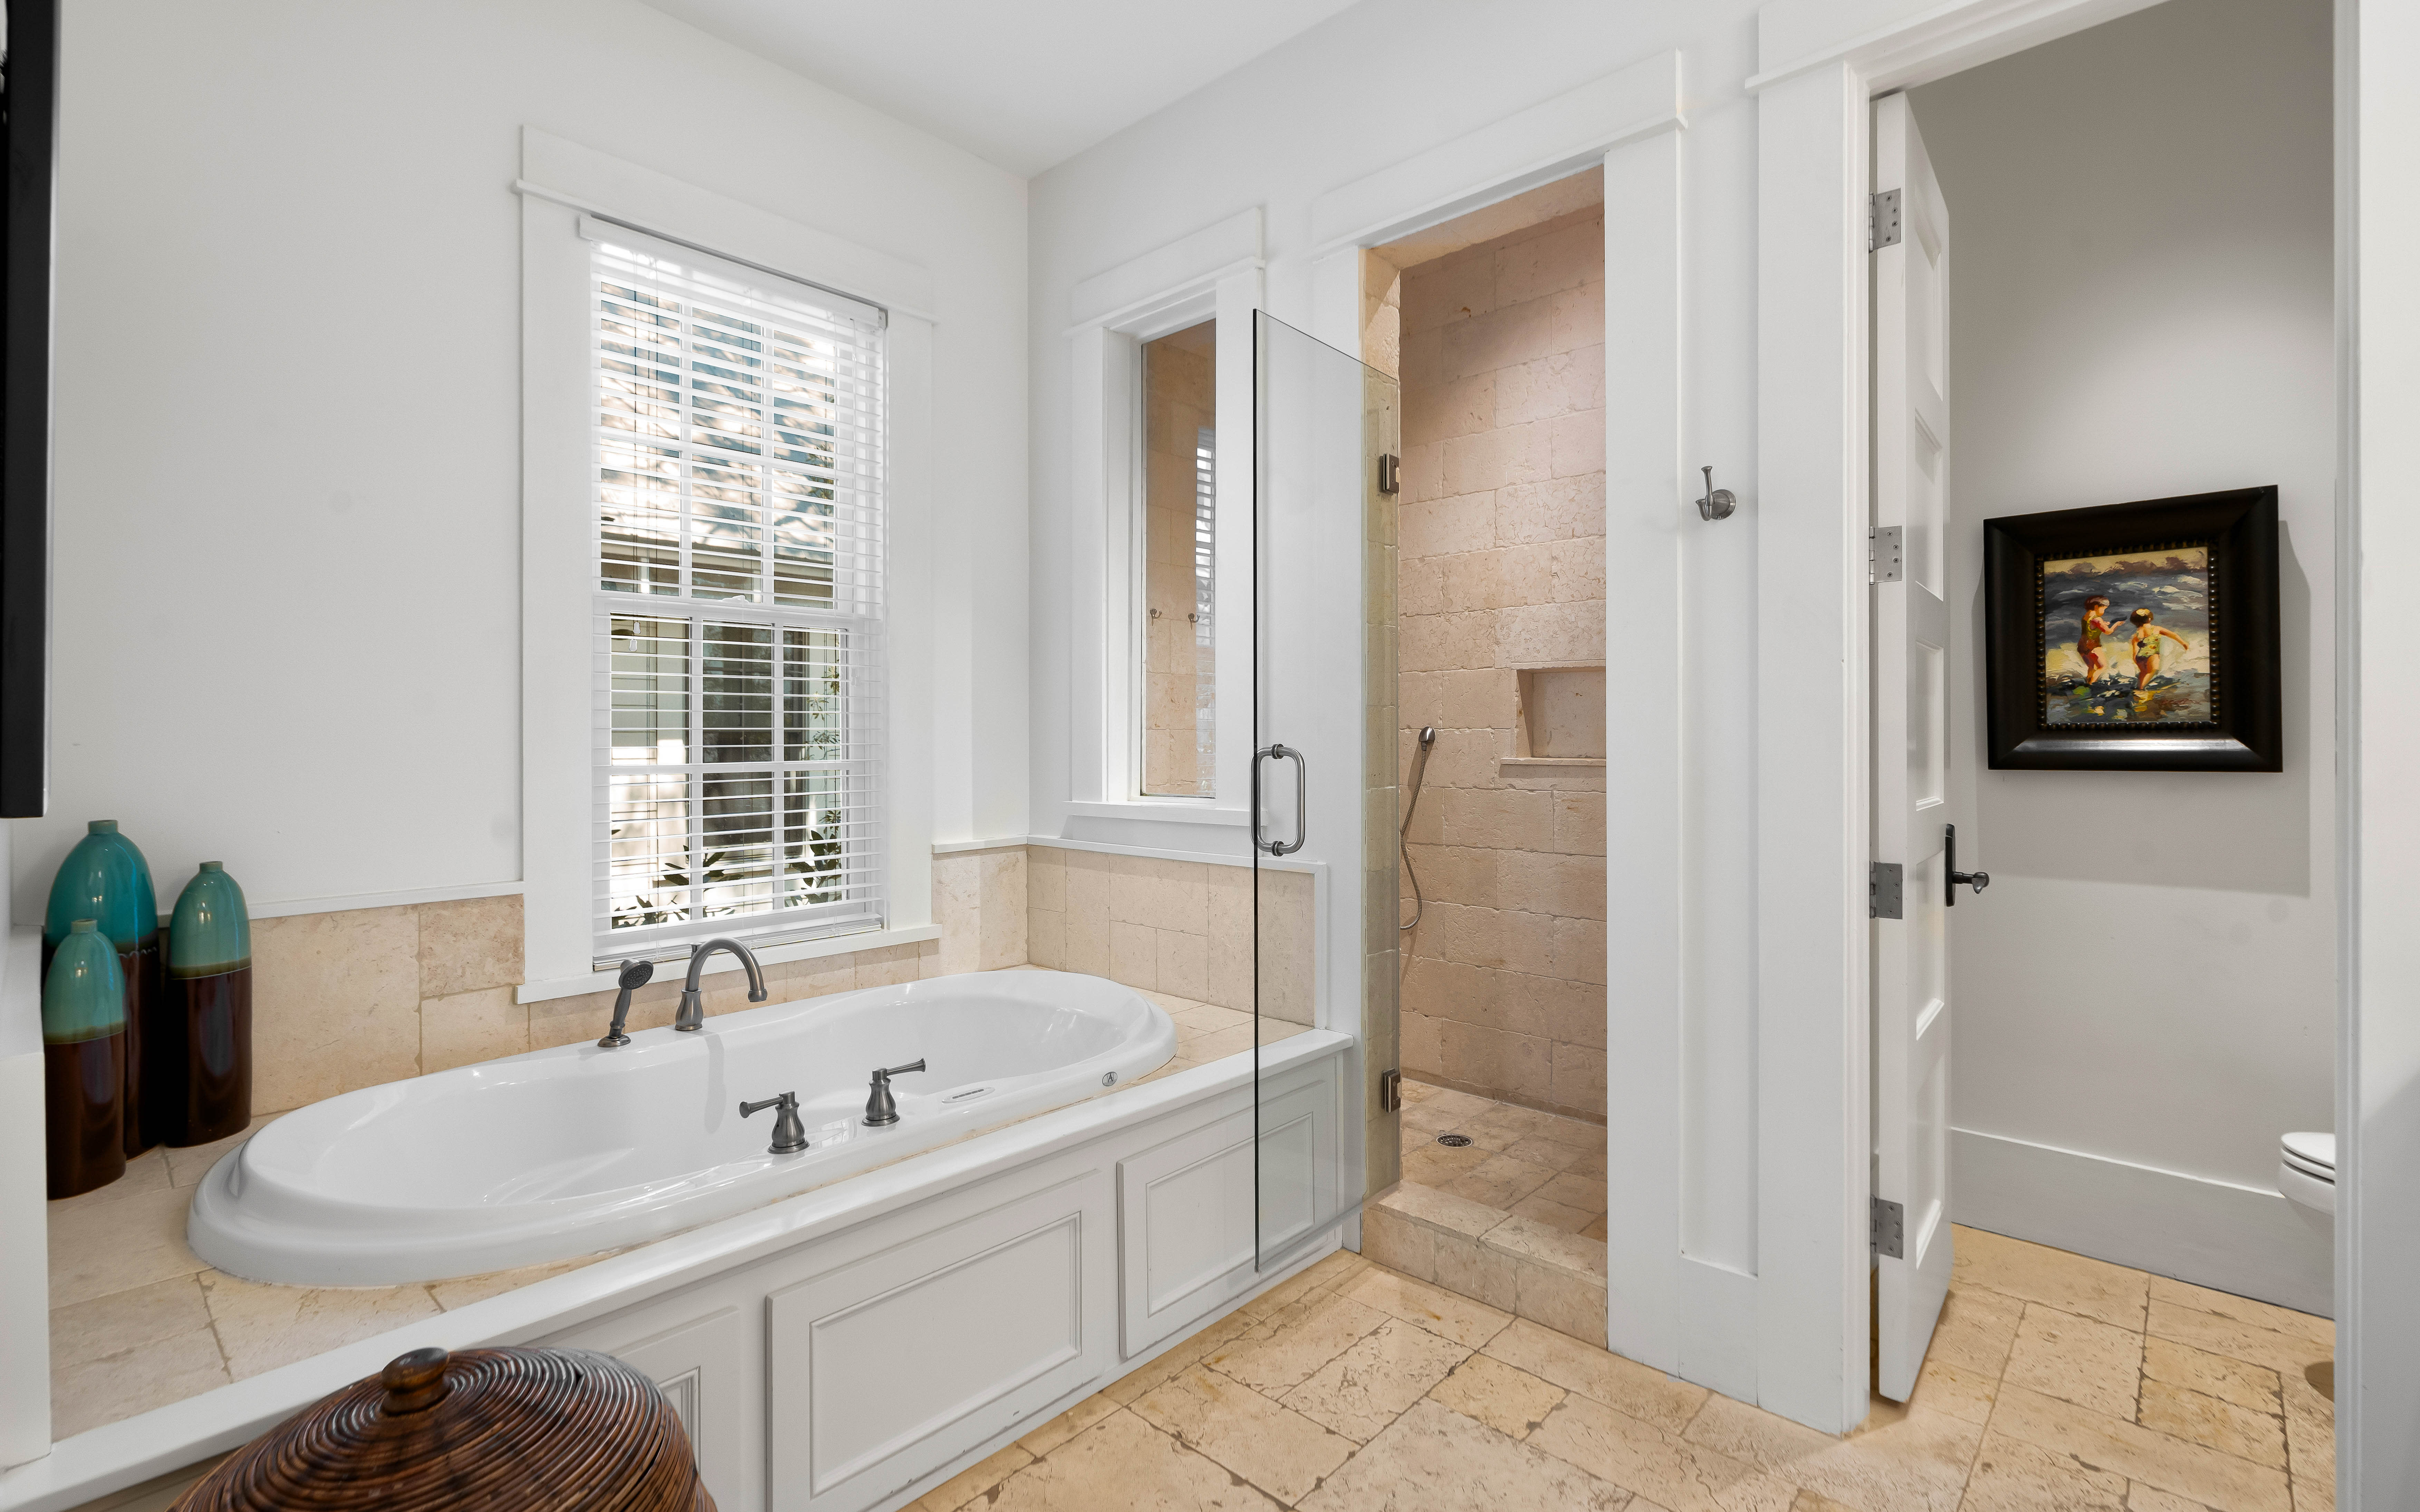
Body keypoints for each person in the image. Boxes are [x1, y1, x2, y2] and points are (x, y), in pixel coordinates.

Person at [2128, 607, 2190, 689]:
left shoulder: (2137, 635)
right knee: (2153, 670)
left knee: (2143, 673)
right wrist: (2184, 644)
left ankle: (2139, 687)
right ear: (2150, 619)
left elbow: (2135, 650)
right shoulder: (2156, 629)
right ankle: (2141, 690)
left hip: (2140, 656)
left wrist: (2135, 659)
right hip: (2152, 654)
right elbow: (2173, 635)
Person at [2075, 596, 2116, 687]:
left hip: (2082, 646)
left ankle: (2087, 683)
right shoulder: (2098, 619)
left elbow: (2092, 626)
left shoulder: (2086, 617)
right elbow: (2108, 632)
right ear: (2097, 607)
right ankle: (2091, 685)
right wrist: (2116, 625)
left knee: (2092, 667)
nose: (2104, 612)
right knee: (2103, 667)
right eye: (2104, 609)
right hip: (2093, 646)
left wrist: (2103, 624)